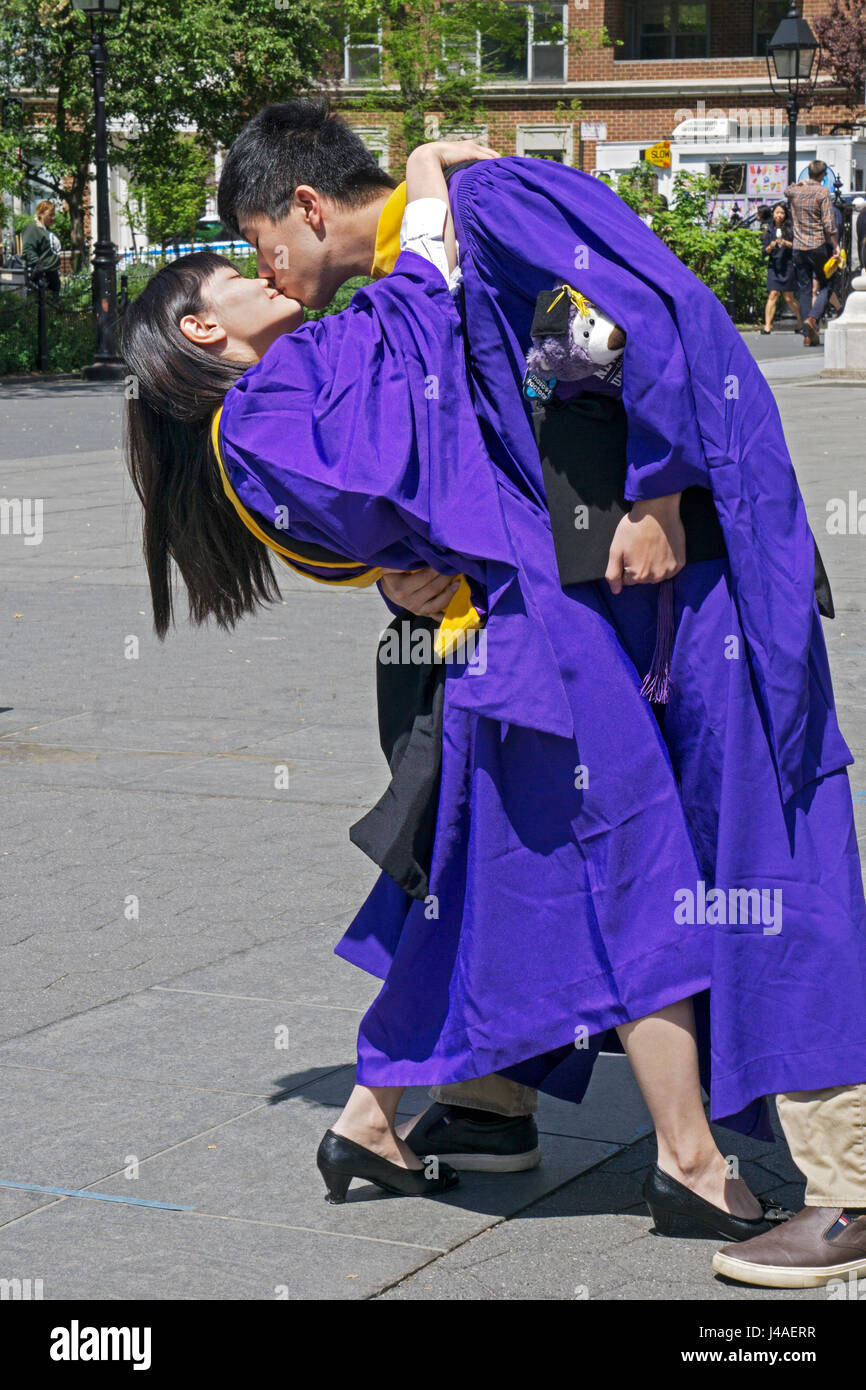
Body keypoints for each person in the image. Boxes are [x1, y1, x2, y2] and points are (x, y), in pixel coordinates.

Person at [209, 102, 866, 1288]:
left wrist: (661, 492)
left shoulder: (491, 204)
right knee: (622, 847)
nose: (271, 274)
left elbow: (661, 316)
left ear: (306, 208)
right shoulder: (433, 270)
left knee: (766, 841)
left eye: (262, 244)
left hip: (702, 567)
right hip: (626, 589)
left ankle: (852, 1187)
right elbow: (545, 401)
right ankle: (494, 1096)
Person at [786, 160, 840, 347]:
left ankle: (808, 334)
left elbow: (787, 190)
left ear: (808, 173)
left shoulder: (795, 192)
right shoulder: (822, 192)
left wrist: (798, 184)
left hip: (799, 247)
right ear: (823, 175)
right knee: (827, 284)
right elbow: (828, 223)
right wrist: (836, 245)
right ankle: (813, 318)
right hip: (818, 246)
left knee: (804, 289)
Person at [760, 203, 801, 334]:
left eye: (782, 213)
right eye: (777, 212)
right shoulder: (769, 229)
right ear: (773, 213)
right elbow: (764, 251)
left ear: (785, 214)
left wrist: (785, 243)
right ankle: (767, 326)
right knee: (773, 294)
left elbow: (796, 245)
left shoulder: (790, 228)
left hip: (787, 264)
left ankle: (802, 321)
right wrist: (771, 246)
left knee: (788, 297)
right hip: (774, 265)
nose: (779, 215)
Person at [21, 200, 61, 302]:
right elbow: (27, 249)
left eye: (54, 215)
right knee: (41, 309)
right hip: (40, 275)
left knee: (53, 309)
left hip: (52, 274)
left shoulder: (47, 229)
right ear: (42, 214)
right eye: (50, 215)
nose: (53, 218)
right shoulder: (32, 228)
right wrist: (38, 264)